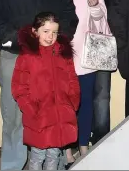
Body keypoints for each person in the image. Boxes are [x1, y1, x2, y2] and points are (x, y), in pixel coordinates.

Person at [0, 0, 78, 170]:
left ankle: (53, 163)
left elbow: (69, 12)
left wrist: (54, 38)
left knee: (53, 112)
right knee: (16, 117)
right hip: (16, 56)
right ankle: (12, 165)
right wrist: (24, 39)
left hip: (52, 58)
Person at [50, 0, 108, 167]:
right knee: (64, 105)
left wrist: (94, 7)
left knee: (85, 102)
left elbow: (101, 19)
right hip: (61, 52)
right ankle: (66, 151)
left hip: (87, 52)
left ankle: (84, 147)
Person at [12, 12, 80, 170]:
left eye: (54, 32)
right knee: (37, 157)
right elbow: (19, 87)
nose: (50, 36)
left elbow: (72, 80)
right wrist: (31, 109)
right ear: (35, 32)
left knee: (54, 156)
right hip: (39, 118)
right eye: (46, 31)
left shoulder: (63, 55)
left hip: (60, 117)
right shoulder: (27, 57)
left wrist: (72, 102)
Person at [77, 0, 124, 145]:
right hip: (74, 40)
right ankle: (76, 142)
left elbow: (119, 3)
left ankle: (101, 141)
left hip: (103, 39)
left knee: (102, 94)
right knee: (75, 94)